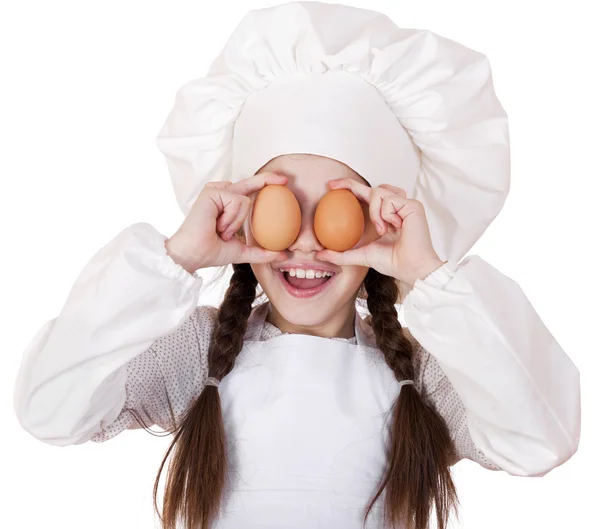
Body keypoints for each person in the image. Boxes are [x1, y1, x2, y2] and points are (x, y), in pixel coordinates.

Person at [12, 2, 581, 529]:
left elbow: (539, 443)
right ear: (240, 218)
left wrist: (428, 273)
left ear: (385, 223)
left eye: (339, 210)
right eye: (278, 209)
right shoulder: (194, 355)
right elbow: (48, 410)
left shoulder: (422, 373)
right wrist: (178, 259)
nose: (305, 243)